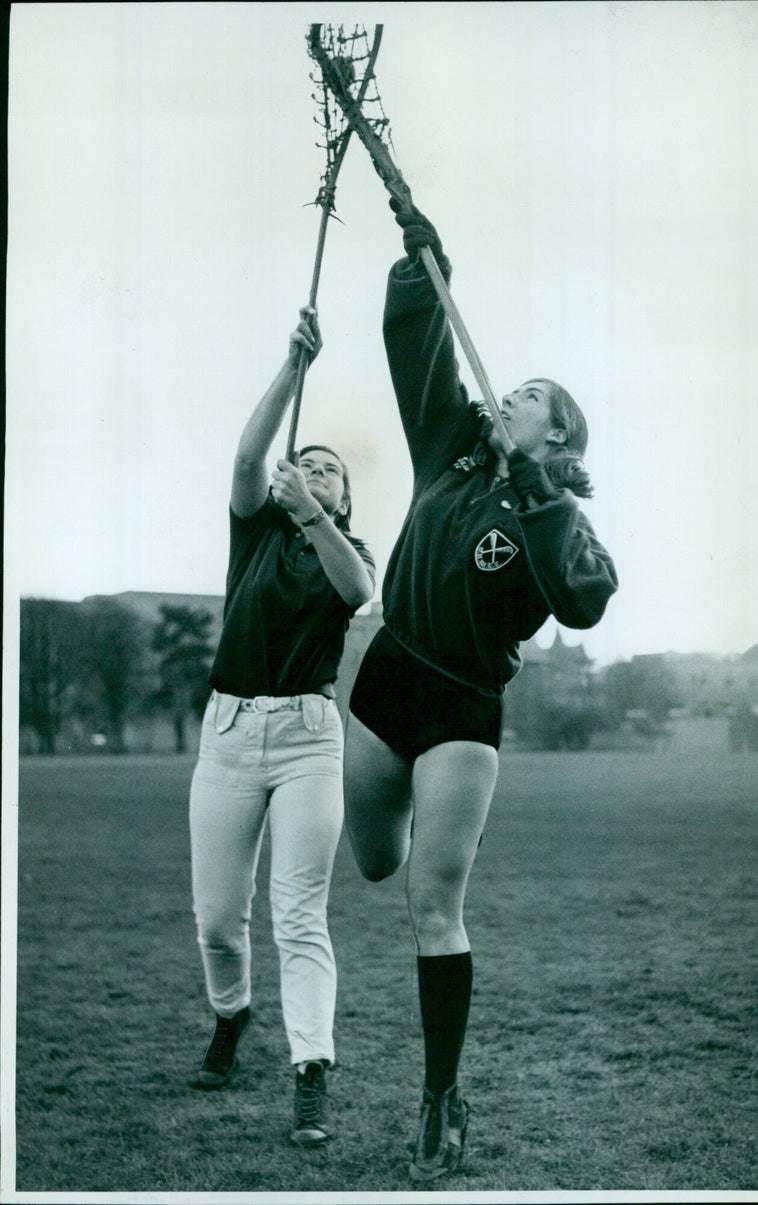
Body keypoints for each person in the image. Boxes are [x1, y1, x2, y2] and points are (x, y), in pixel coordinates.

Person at [343, 203, 618, 1182]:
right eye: (516, 386)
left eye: (532, 395)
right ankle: (420, 844)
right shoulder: (452, 443)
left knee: (430, 901)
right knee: (375, 862)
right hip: (386, 678)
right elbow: (414, 345)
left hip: (461, 708)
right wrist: (425, 268)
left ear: (555, 431)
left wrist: (544, 503)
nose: (511, 395)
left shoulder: (552, 515)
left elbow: (587, 597)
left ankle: (438, 1095)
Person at [188, 307, 375, 1149]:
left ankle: (311, 1070)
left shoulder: (343, 544)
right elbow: (241, 456)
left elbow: (357, 588)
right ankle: (232, 1014)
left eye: (330, 470)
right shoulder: (254, 526)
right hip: (228, 732)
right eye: (305, 461)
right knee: (219, 919)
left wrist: (313, 513)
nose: (314, 469)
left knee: (299, 914)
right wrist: (291, 368)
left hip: (308, 739)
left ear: (342, 496)